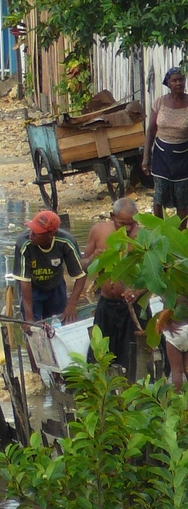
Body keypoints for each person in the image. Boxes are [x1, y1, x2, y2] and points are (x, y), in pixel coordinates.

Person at [83, 198, 143, 374]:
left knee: (133, 360)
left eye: (131, 224)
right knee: (99, 359)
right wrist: (94, 257)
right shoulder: (99, 231)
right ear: (112, 216)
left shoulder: (141, 237)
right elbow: (84, 266)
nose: (127, 229)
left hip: (132, 307)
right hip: (106, 305)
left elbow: (154, 278)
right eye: (122, 224)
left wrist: (138, 291)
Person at [12, 209, 88, 325]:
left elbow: (81, 275)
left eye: (37, 231)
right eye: (32, 229)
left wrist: (72, 304)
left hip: (56, 288)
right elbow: (25, 282)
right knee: (33, 328)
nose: (32, 234)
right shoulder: (24, 244)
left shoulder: (66, 242)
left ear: (51, 234)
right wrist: (29, 319)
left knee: (61, 324)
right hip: (32, 289)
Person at [143, 67, 188, 224]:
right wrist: (146, 158)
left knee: (182, 198)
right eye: (174, 80)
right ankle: (159, 231)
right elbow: (151, 130)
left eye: (181, 79)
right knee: (159, 196)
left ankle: (180, 235)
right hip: (162, 154)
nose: (178, 83)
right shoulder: (160, 102)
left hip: (183, 155)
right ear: (168, 83)